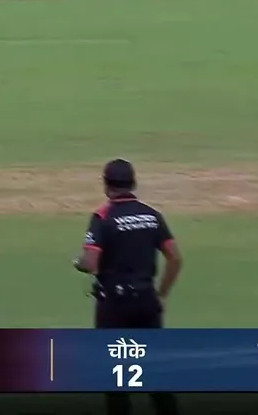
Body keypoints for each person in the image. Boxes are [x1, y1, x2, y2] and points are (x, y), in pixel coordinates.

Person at [74, 159, 181, 415]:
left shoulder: (103, 217)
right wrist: (161, 294)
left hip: (114, 305)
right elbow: (175, 258)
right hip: (147, 300)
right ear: (133, 183)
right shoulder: (152, 215)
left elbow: (90, 263)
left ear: (106, 184)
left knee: (116, 377)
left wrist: (78, 263)